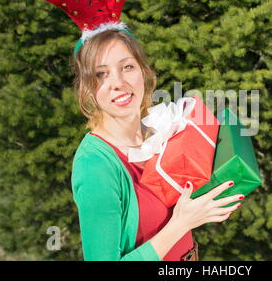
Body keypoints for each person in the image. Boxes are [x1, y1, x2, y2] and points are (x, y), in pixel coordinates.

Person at [70, 29, 244, 261]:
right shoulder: (95, 166)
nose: (118, 83)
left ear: (143, 70)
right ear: (87, 88)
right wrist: (181, 224)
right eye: (101, 74)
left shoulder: (158, 133)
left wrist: (207, 203)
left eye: (127, 67)